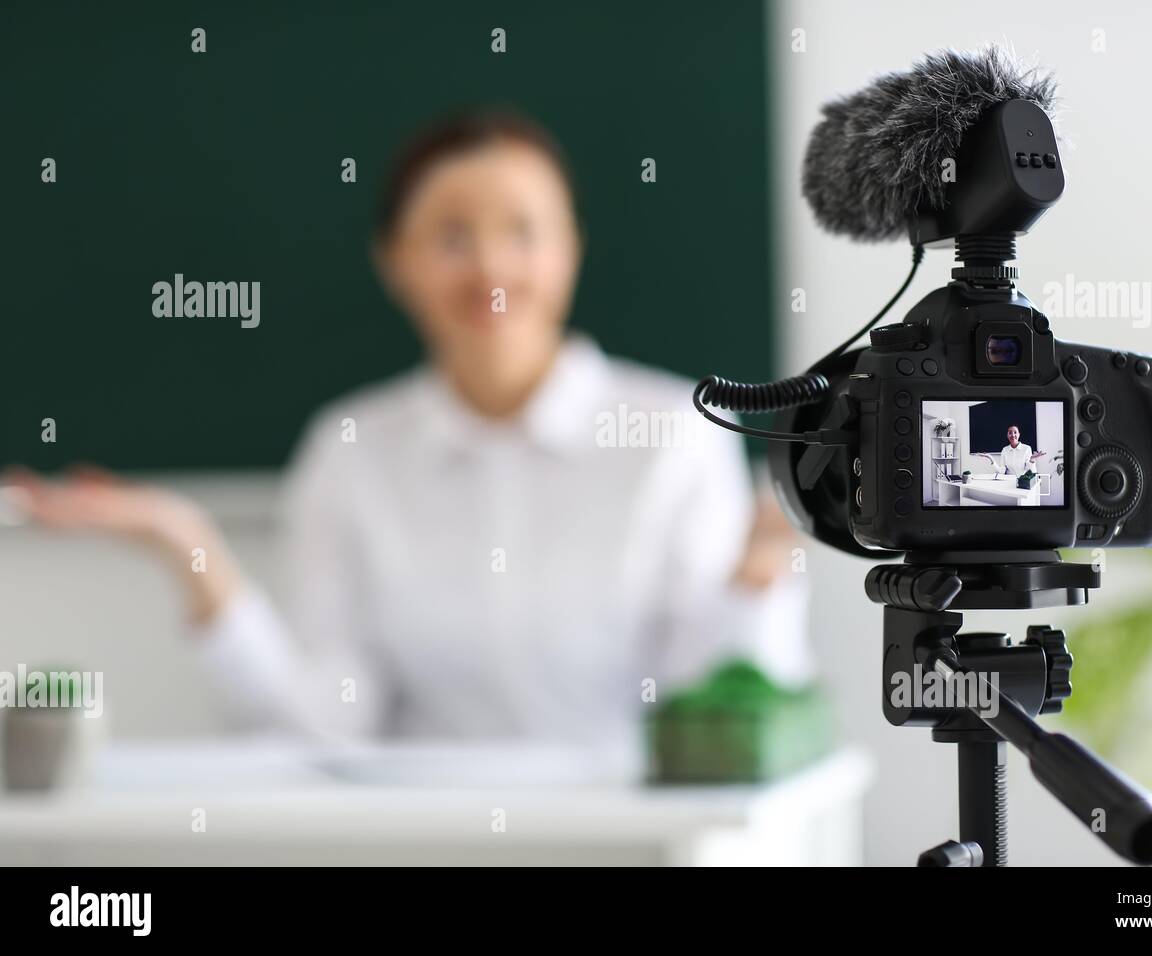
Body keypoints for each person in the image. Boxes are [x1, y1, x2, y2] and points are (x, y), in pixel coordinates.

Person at [7, 112, 812, 751]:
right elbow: (326, 722)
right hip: (427, 844)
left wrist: (759, 576)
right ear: (395, 260)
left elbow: (720, 720)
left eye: (524, 232)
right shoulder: (350, 447)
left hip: (642, 843)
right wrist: (186, 543)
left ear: (570, 249)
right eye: (453, 237)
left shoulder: (675, 431)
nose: (492, 271)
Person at [978, 424, 1046, 477]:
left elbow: (1030, 471)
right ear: (1007, 436)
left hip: (1023, 481)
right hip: (1009, 482)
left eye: (1015, 432)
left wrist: (1032, 459)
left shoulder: (1027, 448)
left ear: (1019, 434)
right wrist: (990, 458)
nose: (1013, 435)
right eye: (1010, 433)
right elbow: (1002, 471)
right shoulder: (1005, 450)